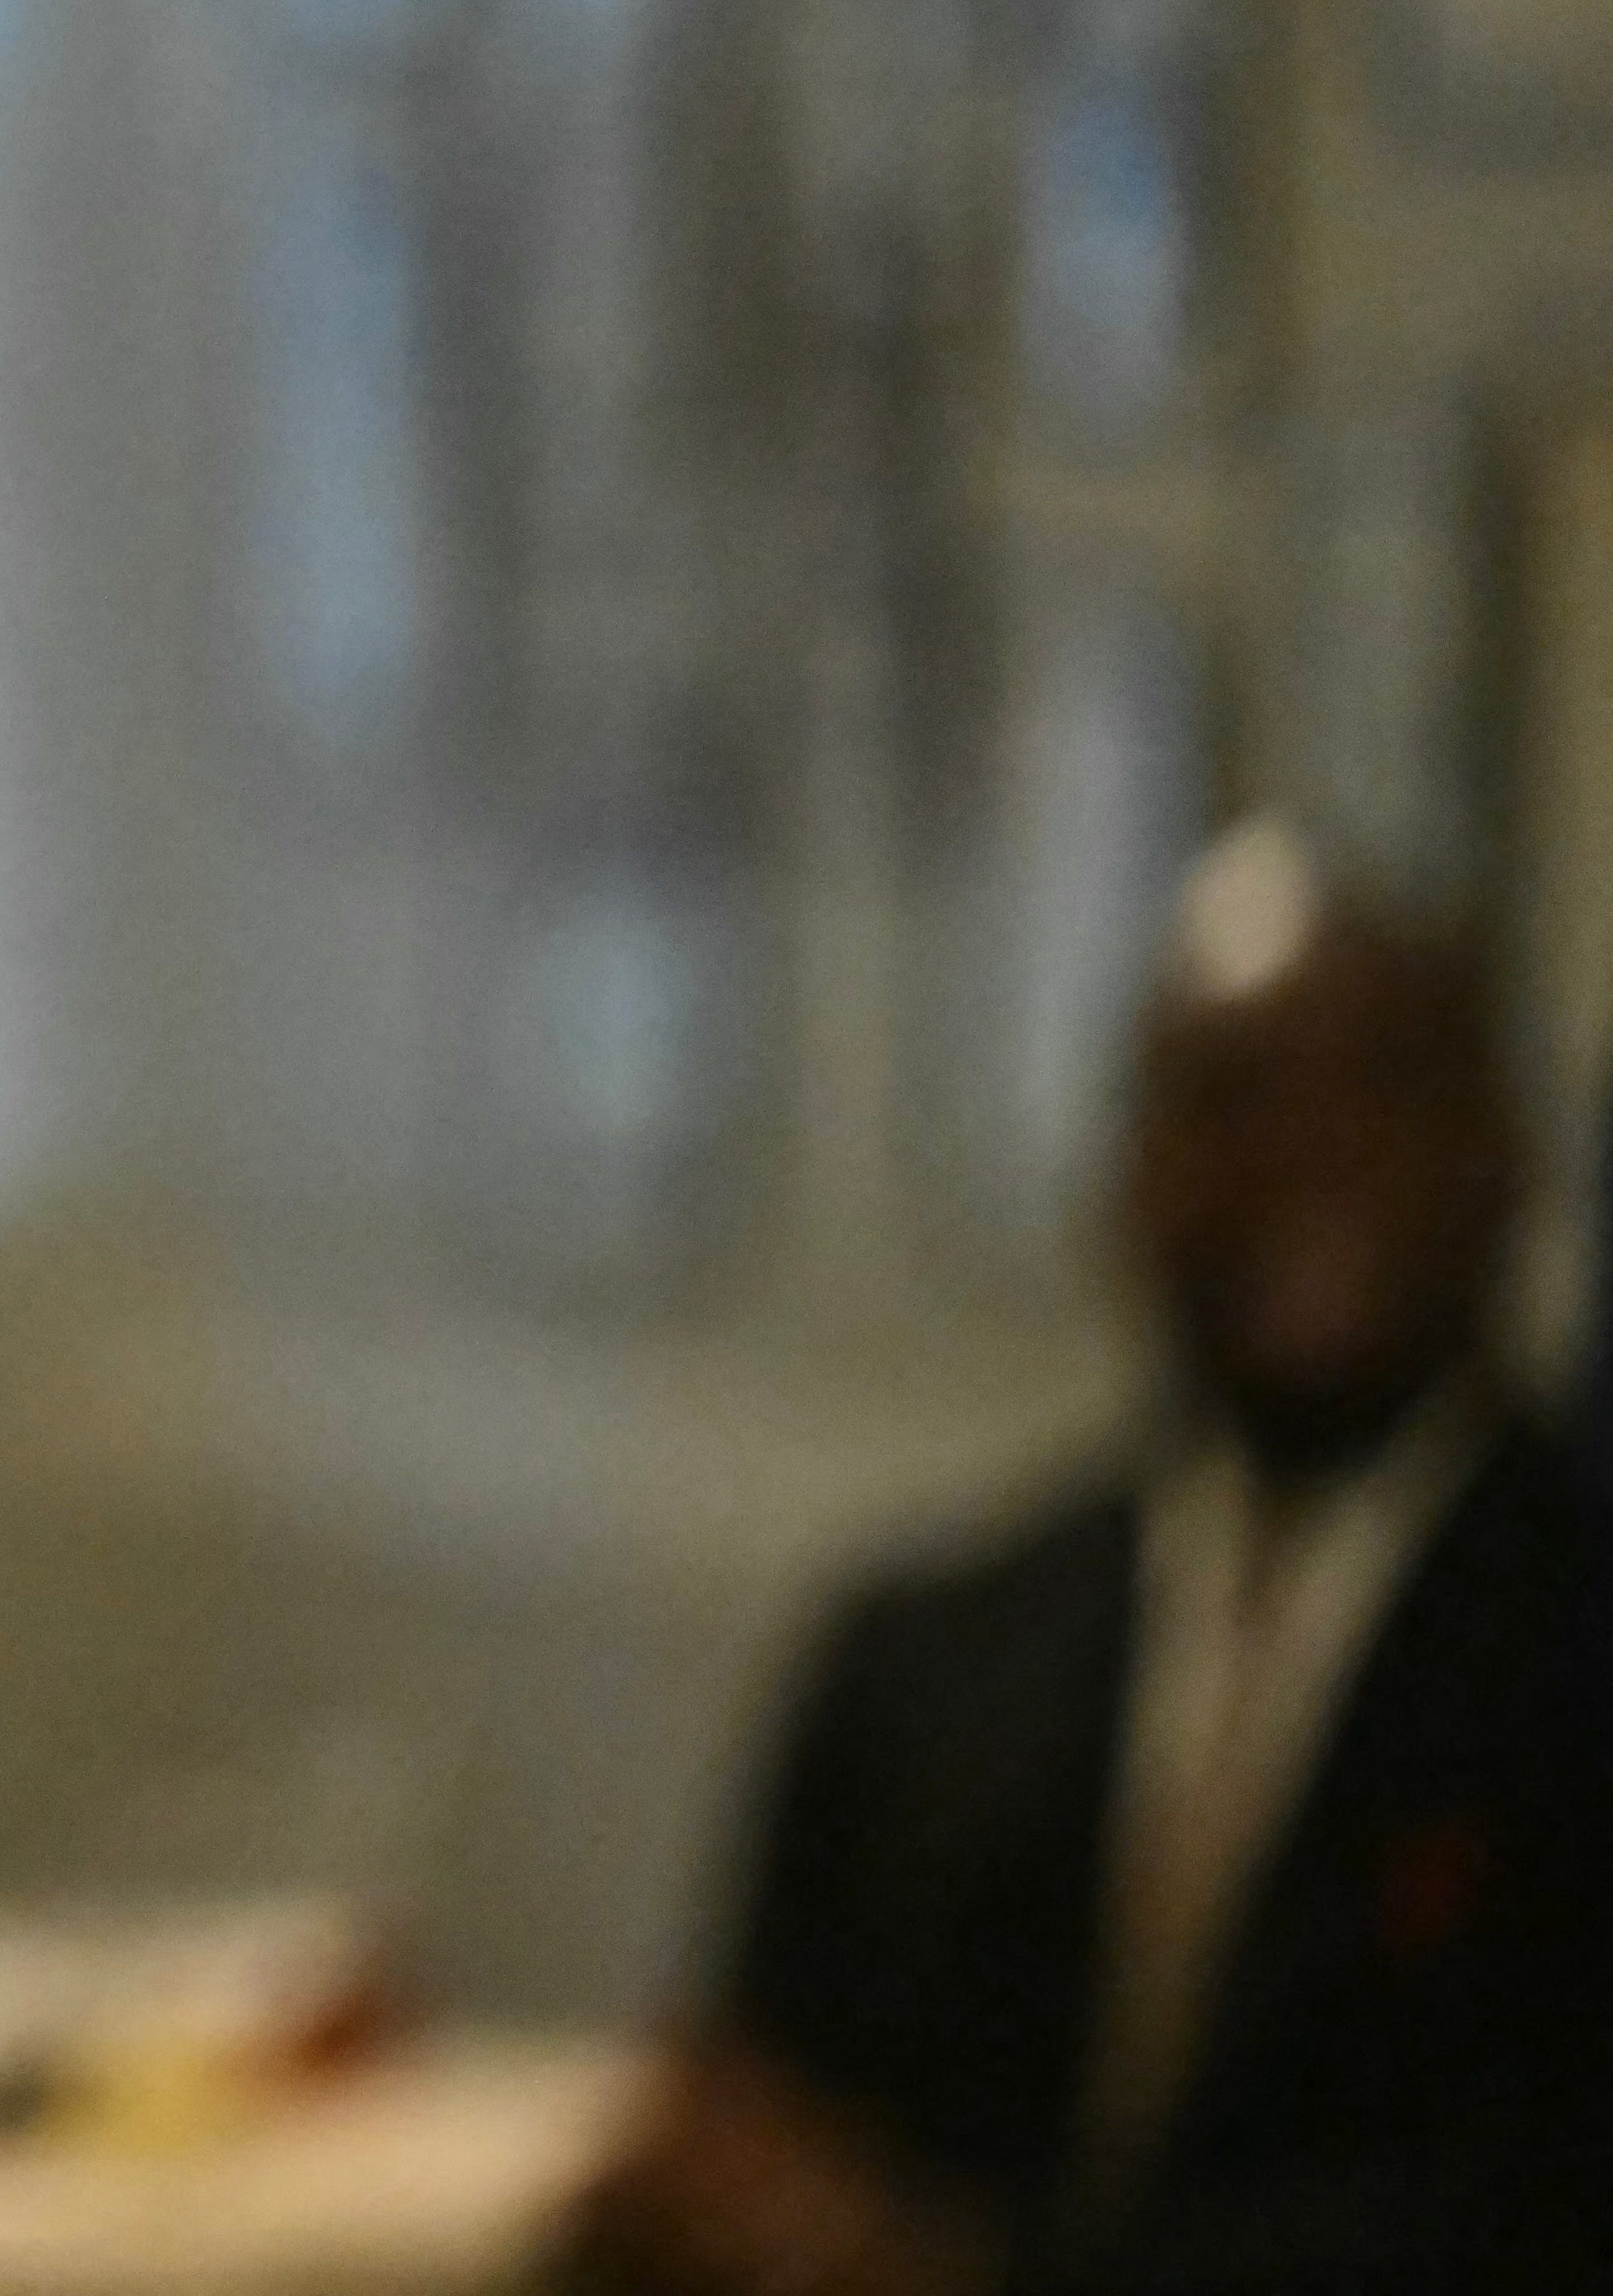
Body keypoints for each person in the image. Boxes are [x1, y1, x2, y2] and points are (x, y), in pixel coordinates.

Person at [571, 821, 1613, 2296]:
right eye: (1225, 1099)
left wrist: (955, 2272)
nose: (1301, 1158)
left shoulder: (1568, 1643)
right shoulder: (925, 1657)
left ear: (1504, 1152)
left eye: (1375, 1086)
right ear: (1125, 1169)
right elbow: (754, 2127)